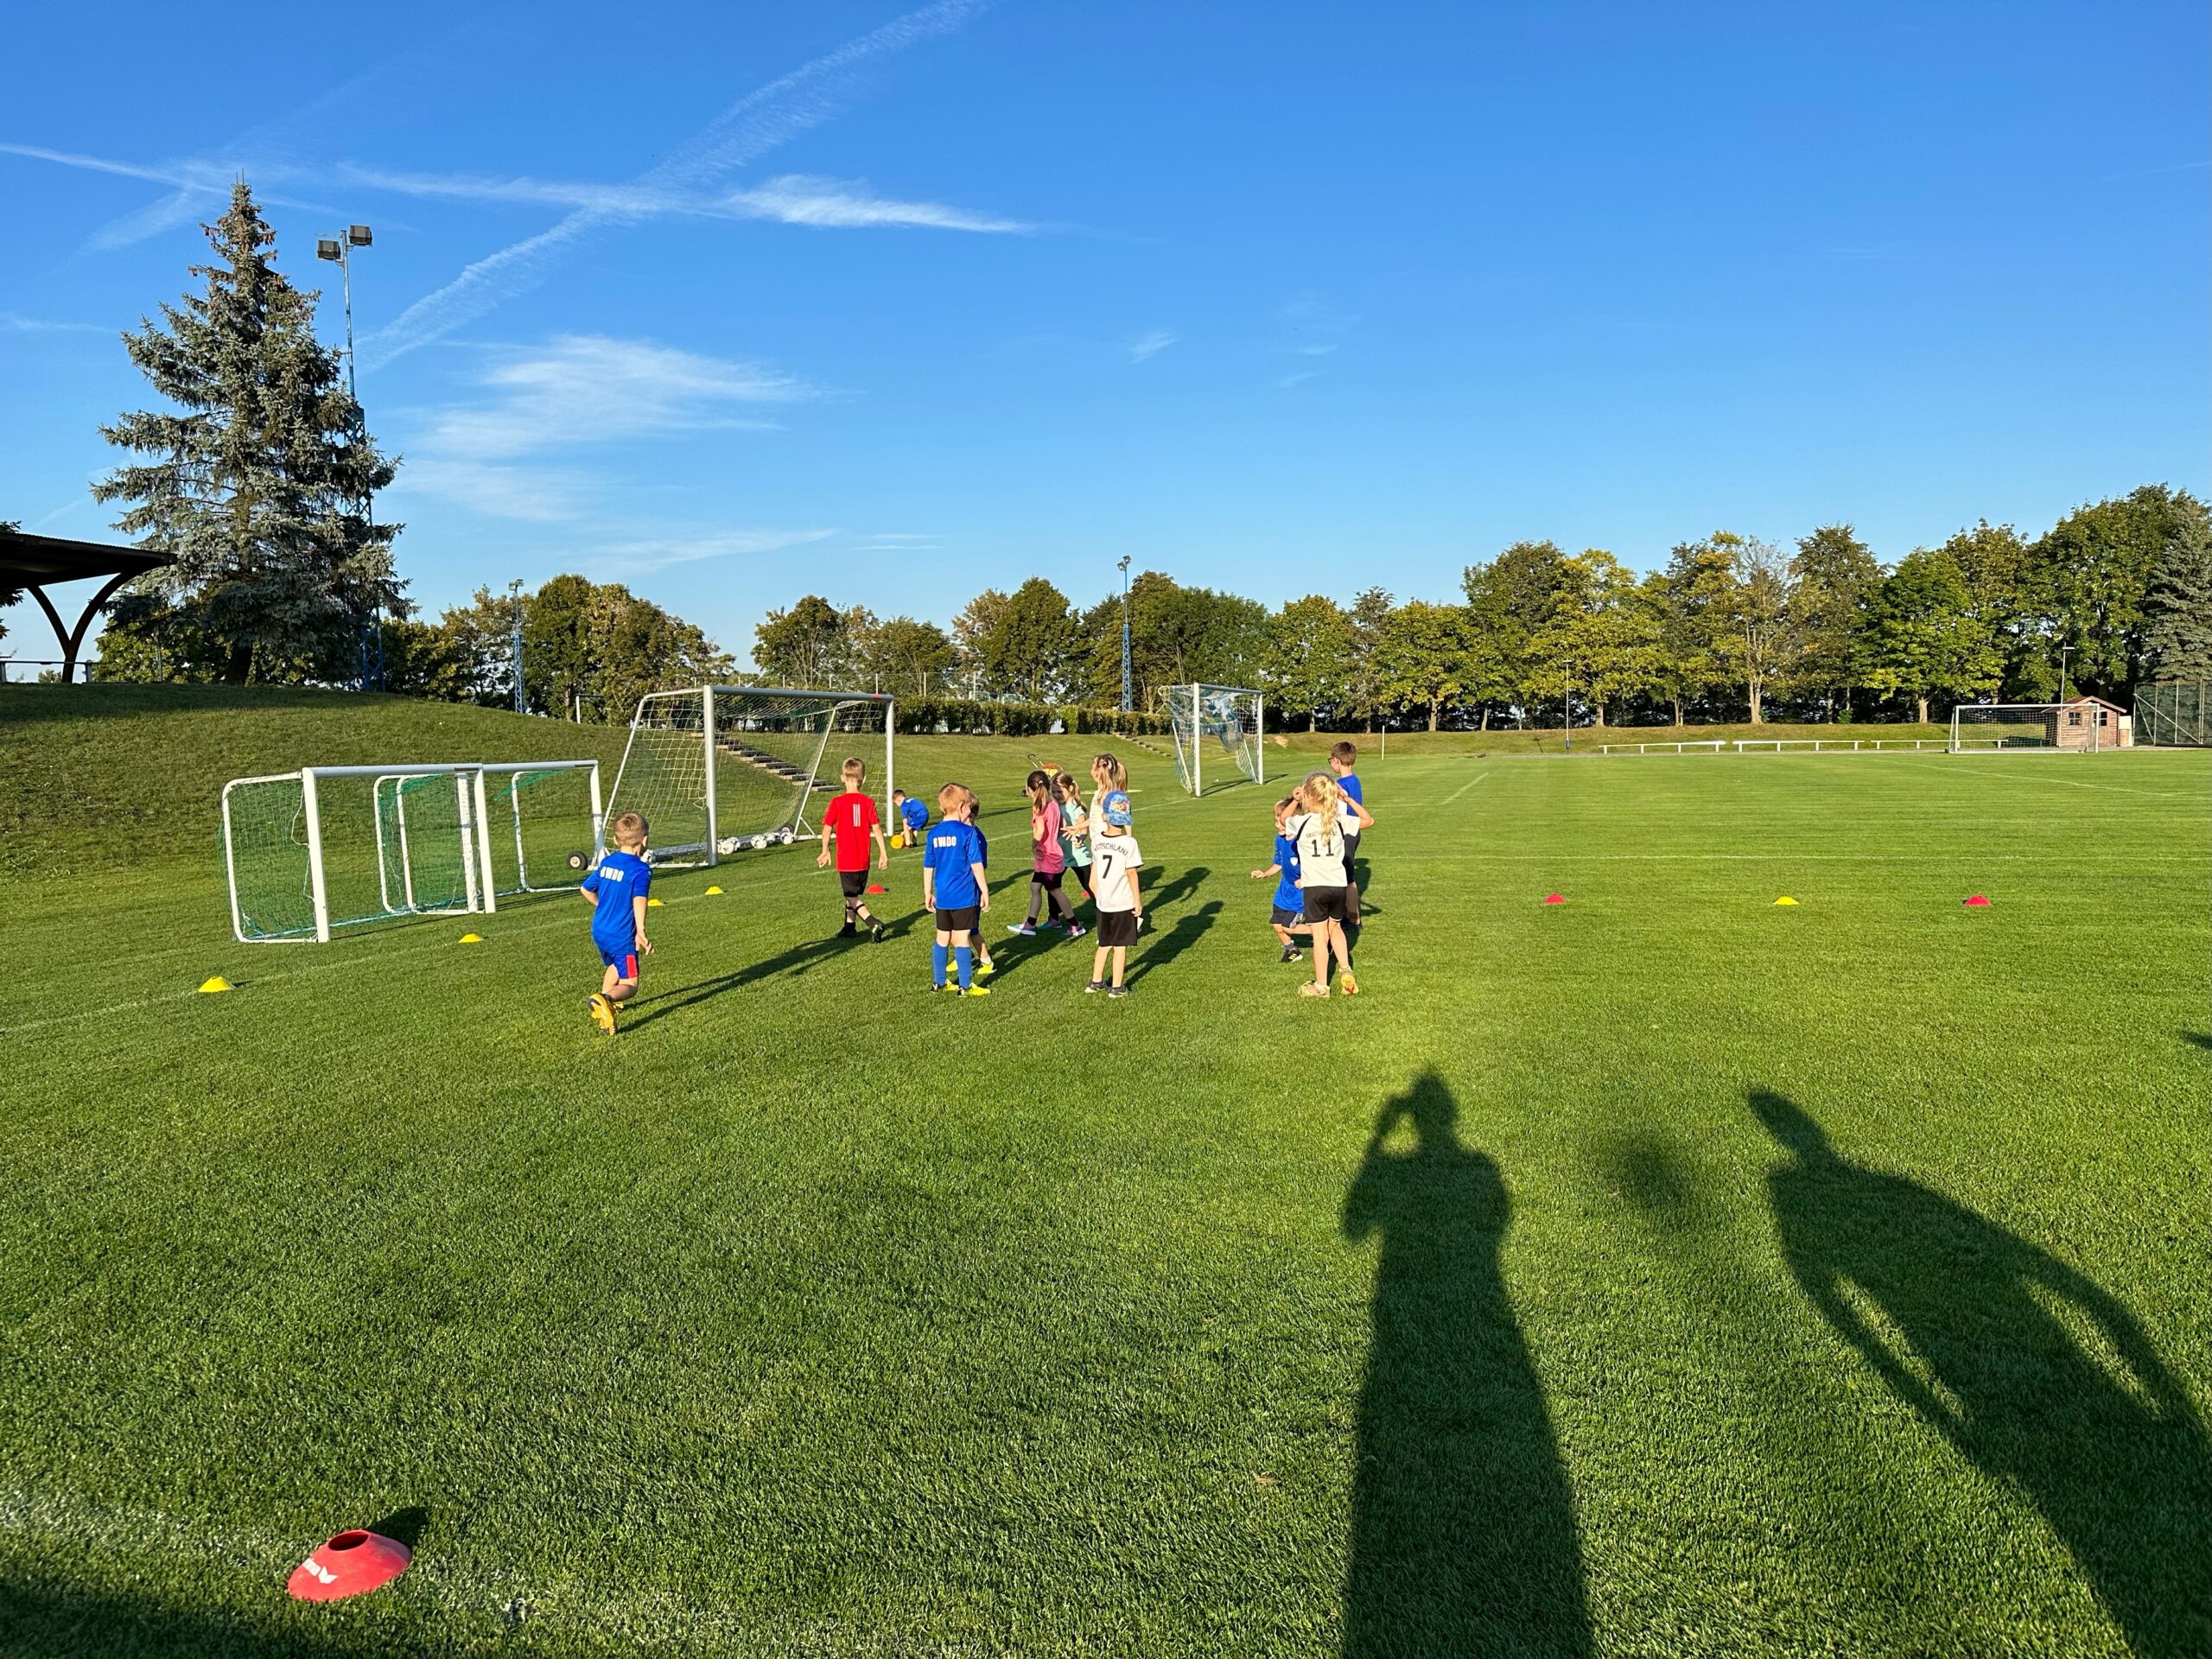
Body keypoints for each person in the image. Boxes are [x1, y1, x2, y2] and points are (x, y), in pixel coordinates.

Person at [1287, 772, 1357, 997]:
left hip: (1315, 887)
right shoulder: (1337, 818)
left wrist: (1295, 800)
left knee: (1319, 938)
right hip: (1338, 885)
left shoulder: (1301, 821)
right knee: (1334, 927)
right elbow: (1368, 821)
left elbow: (1282, 820)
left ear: (1307, 796)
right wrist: (1347, 800)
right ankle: (1346, 969)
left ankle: (1321, 986)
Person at [582, 811, 654, 1033]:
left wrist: (603, 907)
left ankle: (609, 1004)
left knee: (614, 964)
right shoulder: (640, 869)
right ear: (644, 840)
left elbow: (585, 889)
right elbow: (639, 899)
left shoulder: (606, 863)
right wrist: (640, 929)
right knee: (631, 983)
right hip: (621, 934)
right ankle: (605, 999)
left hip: (600, 929)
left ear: (615, 840)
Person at [920, 784, 991, 996]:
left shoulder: (933, 834)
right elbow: (976, 865)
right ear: (961, 807)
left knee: (942, 939)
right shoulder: (968, 832)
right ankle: (966, 986)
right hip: (963, 897)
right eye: (969, 807)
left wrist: (927, 893)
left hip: (942, 897)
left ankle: (939, 982)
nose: (970, 811)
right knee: (961, 940)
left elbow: (928, 865)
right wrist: (985, 890)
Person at [816, 756, 888, 941]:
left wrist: (825, 850)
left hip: (847, 859)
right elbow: (877, 829)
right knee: (852, 894)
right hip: (863, 859)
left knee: (851, 896)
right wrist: (883, 853)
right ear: (863, 779)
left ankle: (873, 923)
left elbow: (827, 828)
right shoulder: (868, 802)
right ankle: (849, 927)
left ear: (842, 777)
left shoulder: (837, 803)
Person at [1009, 769, 1084, 938]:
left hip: (1048, 857)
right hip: (1051, 855)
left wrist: (1035, 844)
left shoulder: (1040, 808)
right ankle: (1030, 923)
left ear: (1030, 790)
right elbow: (1060, 826)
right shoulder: (1054, 805)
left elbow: (1040, 831)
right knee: (1035, 887)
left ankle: (1074, 924)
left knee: (1055, 890)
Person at [1085, 789, 1144, 998]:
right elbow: (1131, 874)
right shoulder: (1129, 843)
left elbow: (1093, 879)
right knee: (1121, 947)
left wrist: (1100, 897)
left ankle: (1096, 982)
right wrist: (1137, 900)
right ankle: (1117, 987)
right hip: (1122, 903)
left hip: (1104, 903)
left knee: (1104, 944)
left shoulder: (1097, 842)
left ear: (1104, 816)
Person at [1249, 795, 1310, 963]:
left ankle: (1322, 932)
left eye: (1280, 820)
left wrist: (1305, 879)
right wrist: (1265, 873)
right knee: (1277, 925)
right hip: (1284, 891)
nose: (1277, 824)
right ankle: (1292, 951)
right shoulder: (1279, 840)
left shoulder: (1301, 842)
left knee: (1288, 926)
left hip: (1300, 892)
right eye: (1276, 820)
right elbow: (1279, 863)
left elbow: (1313, 864)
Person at [1329, 740, 1375, 911]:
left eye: (1331, 760)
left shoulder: (1341, 785)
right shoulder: (1354, 780)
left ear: (1337, 761)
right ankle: (1349, 912)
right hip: (1354, 831)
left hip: (1345, 832)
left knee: (1346, 878)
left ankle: (1351, 916)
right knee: (1347, 876)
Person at [959, 789, 999, 980]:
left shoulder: (975, 836)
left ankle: (986, 961)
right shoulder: (961, 833)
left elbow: (979, 865)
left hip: (971, 889)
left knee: (971, 929)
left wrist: (982, 891)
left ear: (971, 815)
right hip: (959, 889)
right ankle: (963, 957)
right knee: (954, 929)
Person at [1056, 772, 1095, 904]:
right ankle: (1053, 917)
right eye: (1054, 792)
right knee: (1053, 885)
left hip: (1079, 855)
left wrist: (1081, 839)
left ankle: (1105, 912)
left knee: (1089, 886)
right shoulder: (1055, 807)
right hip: (1061, 854)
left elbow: (1084, 828)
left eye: (1060, 791)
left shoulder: (1076, 808)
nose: (1057, 795)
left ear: (1070, 788)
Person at [890, 786, 930, 850]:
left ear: (899, 800)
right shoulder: (910, 800)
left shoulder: (904, 806)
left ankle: (907, 844)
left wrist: (904, 831)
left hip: (920, 816)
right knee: (914, 828)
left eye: (896, 803)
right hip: (925, 814)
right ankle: (914, 843)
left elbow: (905, 821)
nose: (897, 805)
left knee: (907, 827)